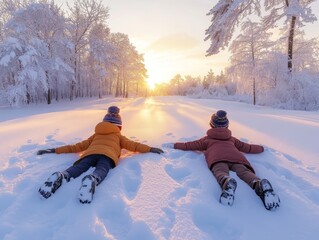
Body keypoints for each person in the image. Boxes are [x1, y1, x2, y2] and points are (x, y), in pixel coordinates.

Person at [37, 106, 163, 204]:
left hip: (90, 154)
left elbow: (76, 147)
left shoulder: (96, 135)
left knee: (79, 168)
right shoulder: (118, 136)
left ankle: (63, 175)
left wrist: (54, 150)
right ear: (119, 126)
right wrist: (150, 148)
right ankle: (93, 178)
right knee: (102, 169)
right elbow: (133, 146)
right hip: (107, 156)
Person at [163, 110, 280, 211]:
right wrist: (261, 148)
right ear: (227, 126)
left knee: (220, 172)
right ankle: (258, 183)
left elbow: (189, 145)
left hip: (218, 159)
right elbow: (247, 147)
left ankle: (226, 182)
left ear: (211, 125)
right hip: (238, 159)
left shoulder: (207, 140)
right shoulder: (232, 139)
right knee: (245, 173)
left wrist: (174, 145)